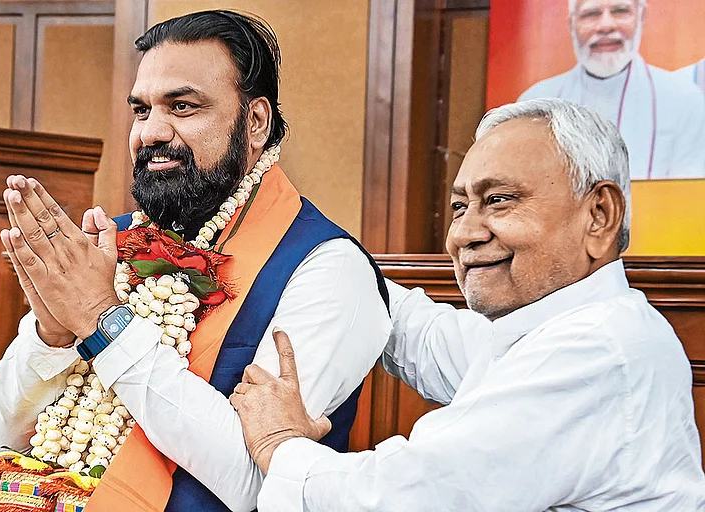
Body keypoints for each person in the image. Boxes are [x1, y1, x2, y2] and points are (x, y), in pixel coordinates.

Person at [0, 10, 391, 512]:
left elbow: (257, 480)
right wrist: (53, 335)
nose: (151, 132)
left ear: (255, 122)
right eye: (141, 110)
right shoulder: (115, 242)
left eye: (182, 106)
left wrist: (104, 322)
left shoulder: (328, 267)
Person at [230, 98, 705, 511]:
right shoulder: (544, 328)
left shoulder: (598, 348)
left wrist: (279, 444)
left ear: (599, 215)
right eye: (460, 207)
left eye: (498, 200)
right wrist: (306, 257)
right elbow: (417, 330)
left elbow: (406, 497)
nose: (464, 234)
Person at [518, 0, 705, 180]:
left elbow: (689, 194)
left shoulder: (685, 101)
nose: (606, 26)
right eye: (591, 13)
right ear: (572, 24)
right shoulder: (534, 105)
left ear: (641, 17)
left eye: (620, 11)